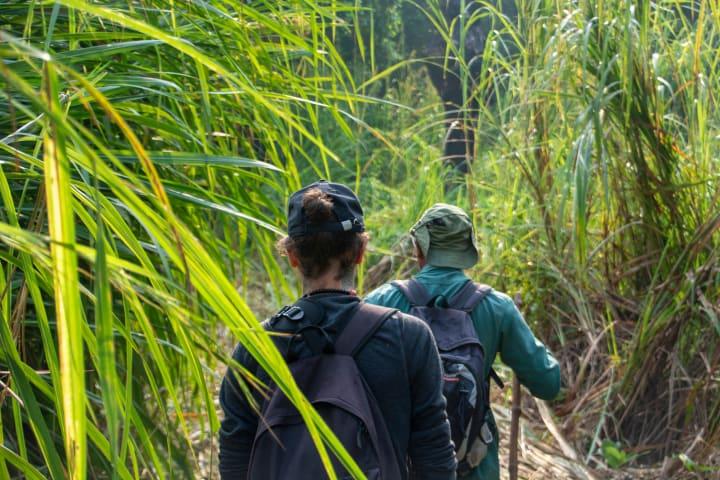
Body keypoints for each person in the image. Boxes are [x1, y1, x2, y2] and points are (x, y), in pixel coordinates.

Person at [218, 181, 457, 479]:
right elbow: (433, 454)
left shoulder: (257, 346)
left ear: (292, 256)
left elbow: (235, 454)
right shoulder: (408, 337)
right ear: (361, 251)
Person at [365, 203, 561, 480]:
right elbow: (549, 384)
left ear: (419, 248)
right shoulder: (497, 307)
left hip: (400, 467)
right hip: (474, 466)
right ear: (466, 252)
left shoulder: (381, 302)